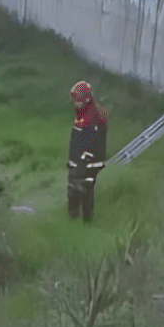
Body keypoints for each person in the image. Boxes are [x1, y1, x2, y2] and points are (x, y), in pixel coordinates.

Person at [67, 80, 109, 222]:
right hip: (77, 162)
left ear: (84, 100)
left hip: (87, 163)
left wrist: (83, 160)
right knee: (74, 189)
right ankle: (74, 219)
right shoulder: (82, 116)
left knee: (84, 191)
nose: (74, 104)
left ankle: (86, 221)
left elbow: (93, 144)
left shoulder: (93, 119)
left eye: (77, 100)